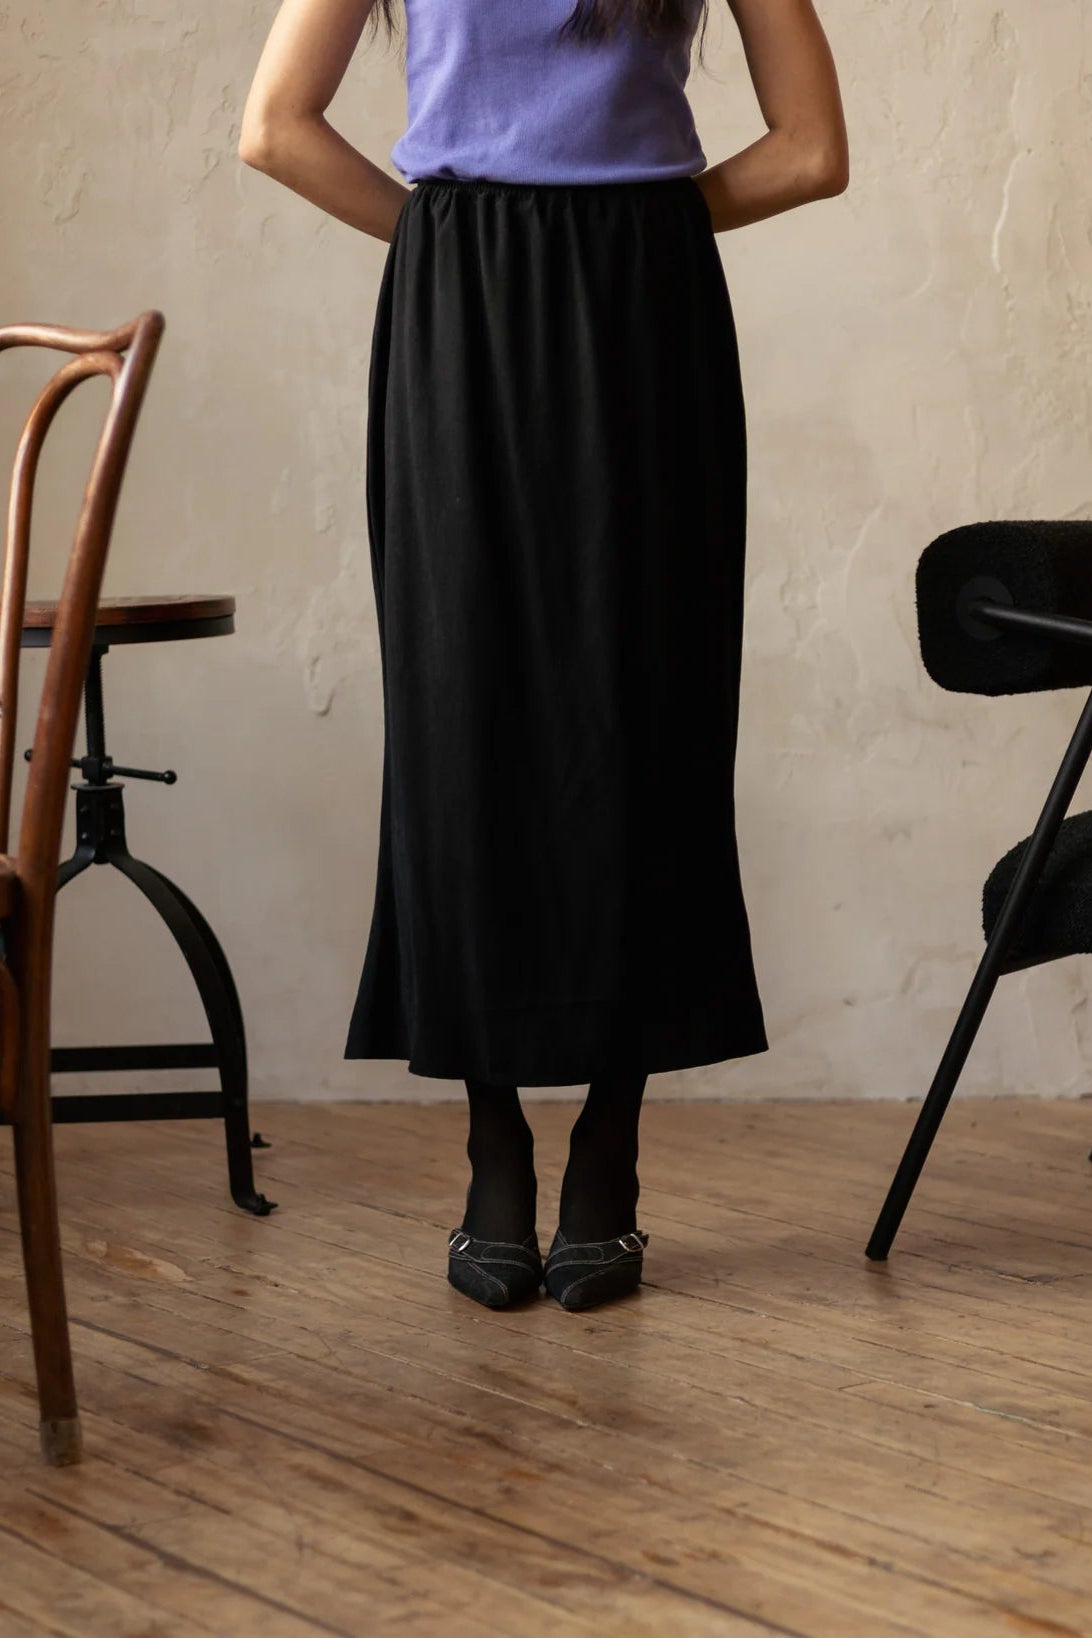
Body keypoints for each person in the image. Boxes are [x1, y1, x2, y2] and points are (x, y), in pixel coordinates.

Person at [240, 0, 848, 1313]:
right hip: (481, 305)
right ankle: (494, 1144)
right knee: (465, 726)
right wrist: (472, 238)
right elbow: (274, 128)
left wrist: (552, 227)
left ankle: (610, 1155)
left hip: (630, 312)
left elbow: (814, 148)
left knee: (651, 715)